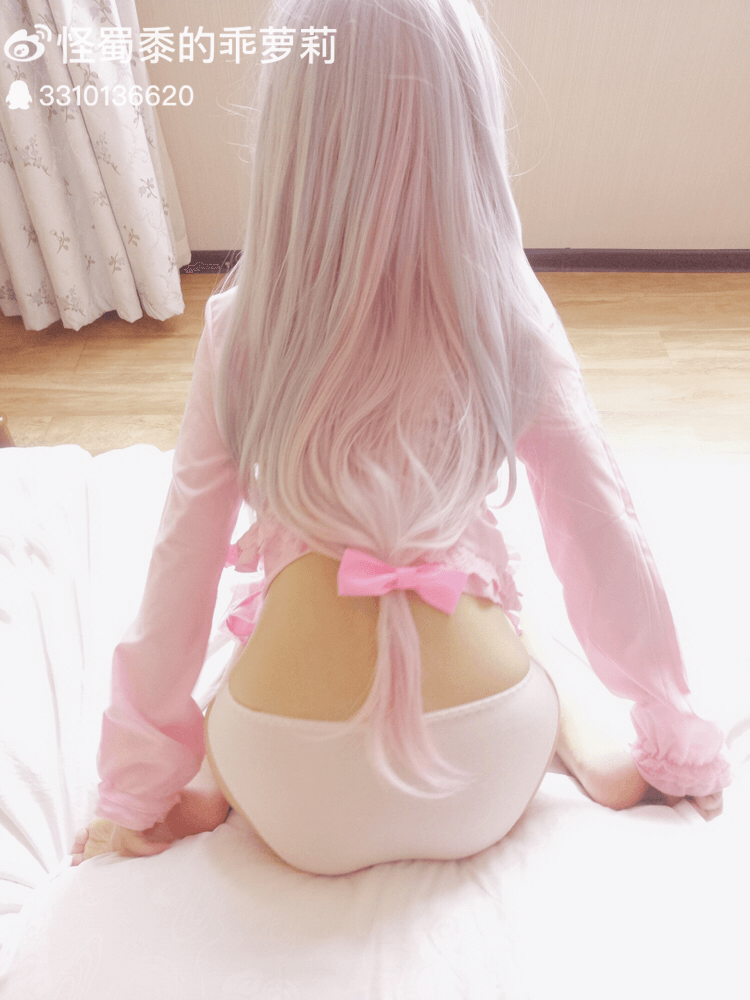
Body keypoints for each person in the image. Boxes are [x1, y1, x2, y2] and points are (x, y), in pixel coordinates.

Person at [71, 0, 731, 873]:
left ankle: (207, 786)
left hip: (286, 779)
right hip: (488, 763)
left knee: (242, 647)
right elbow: (603, 533)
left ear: (290, 138)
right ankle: (598, 751)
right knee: (527, 629)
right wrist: (677, 736)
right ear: (471, 128)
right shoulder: (510, 314)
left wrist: (135, 790)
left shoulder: (244, 327)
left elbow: (179, 565)